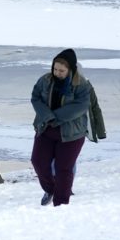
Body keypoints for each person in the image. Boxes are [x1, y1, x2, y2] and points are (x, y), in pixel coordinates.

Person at [31, 49, 91, 207]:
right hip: (46, 128)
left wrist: (56, 116)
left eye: (61, 71)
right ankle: (51, 189)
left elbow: (81, 105)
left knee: (63, 168)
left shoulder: (81, 85)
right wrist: (47, 116)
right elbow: (35, 97)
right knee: (38, 162)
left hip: (71, 134)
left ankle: (61, 204)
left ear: (71, 69)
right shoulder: (45, 80)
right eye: (55, 69)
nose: (57, 73)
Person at [45, 51, 107, 201]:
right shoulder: (53, 83)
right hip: (56, 127)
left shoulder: (85, 86)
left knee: (67, 161)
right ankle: (56, 187)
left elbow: (94, 107)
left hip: (76, 129)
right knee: (53, 160)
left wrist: (100, 131)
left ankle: (65, 187)